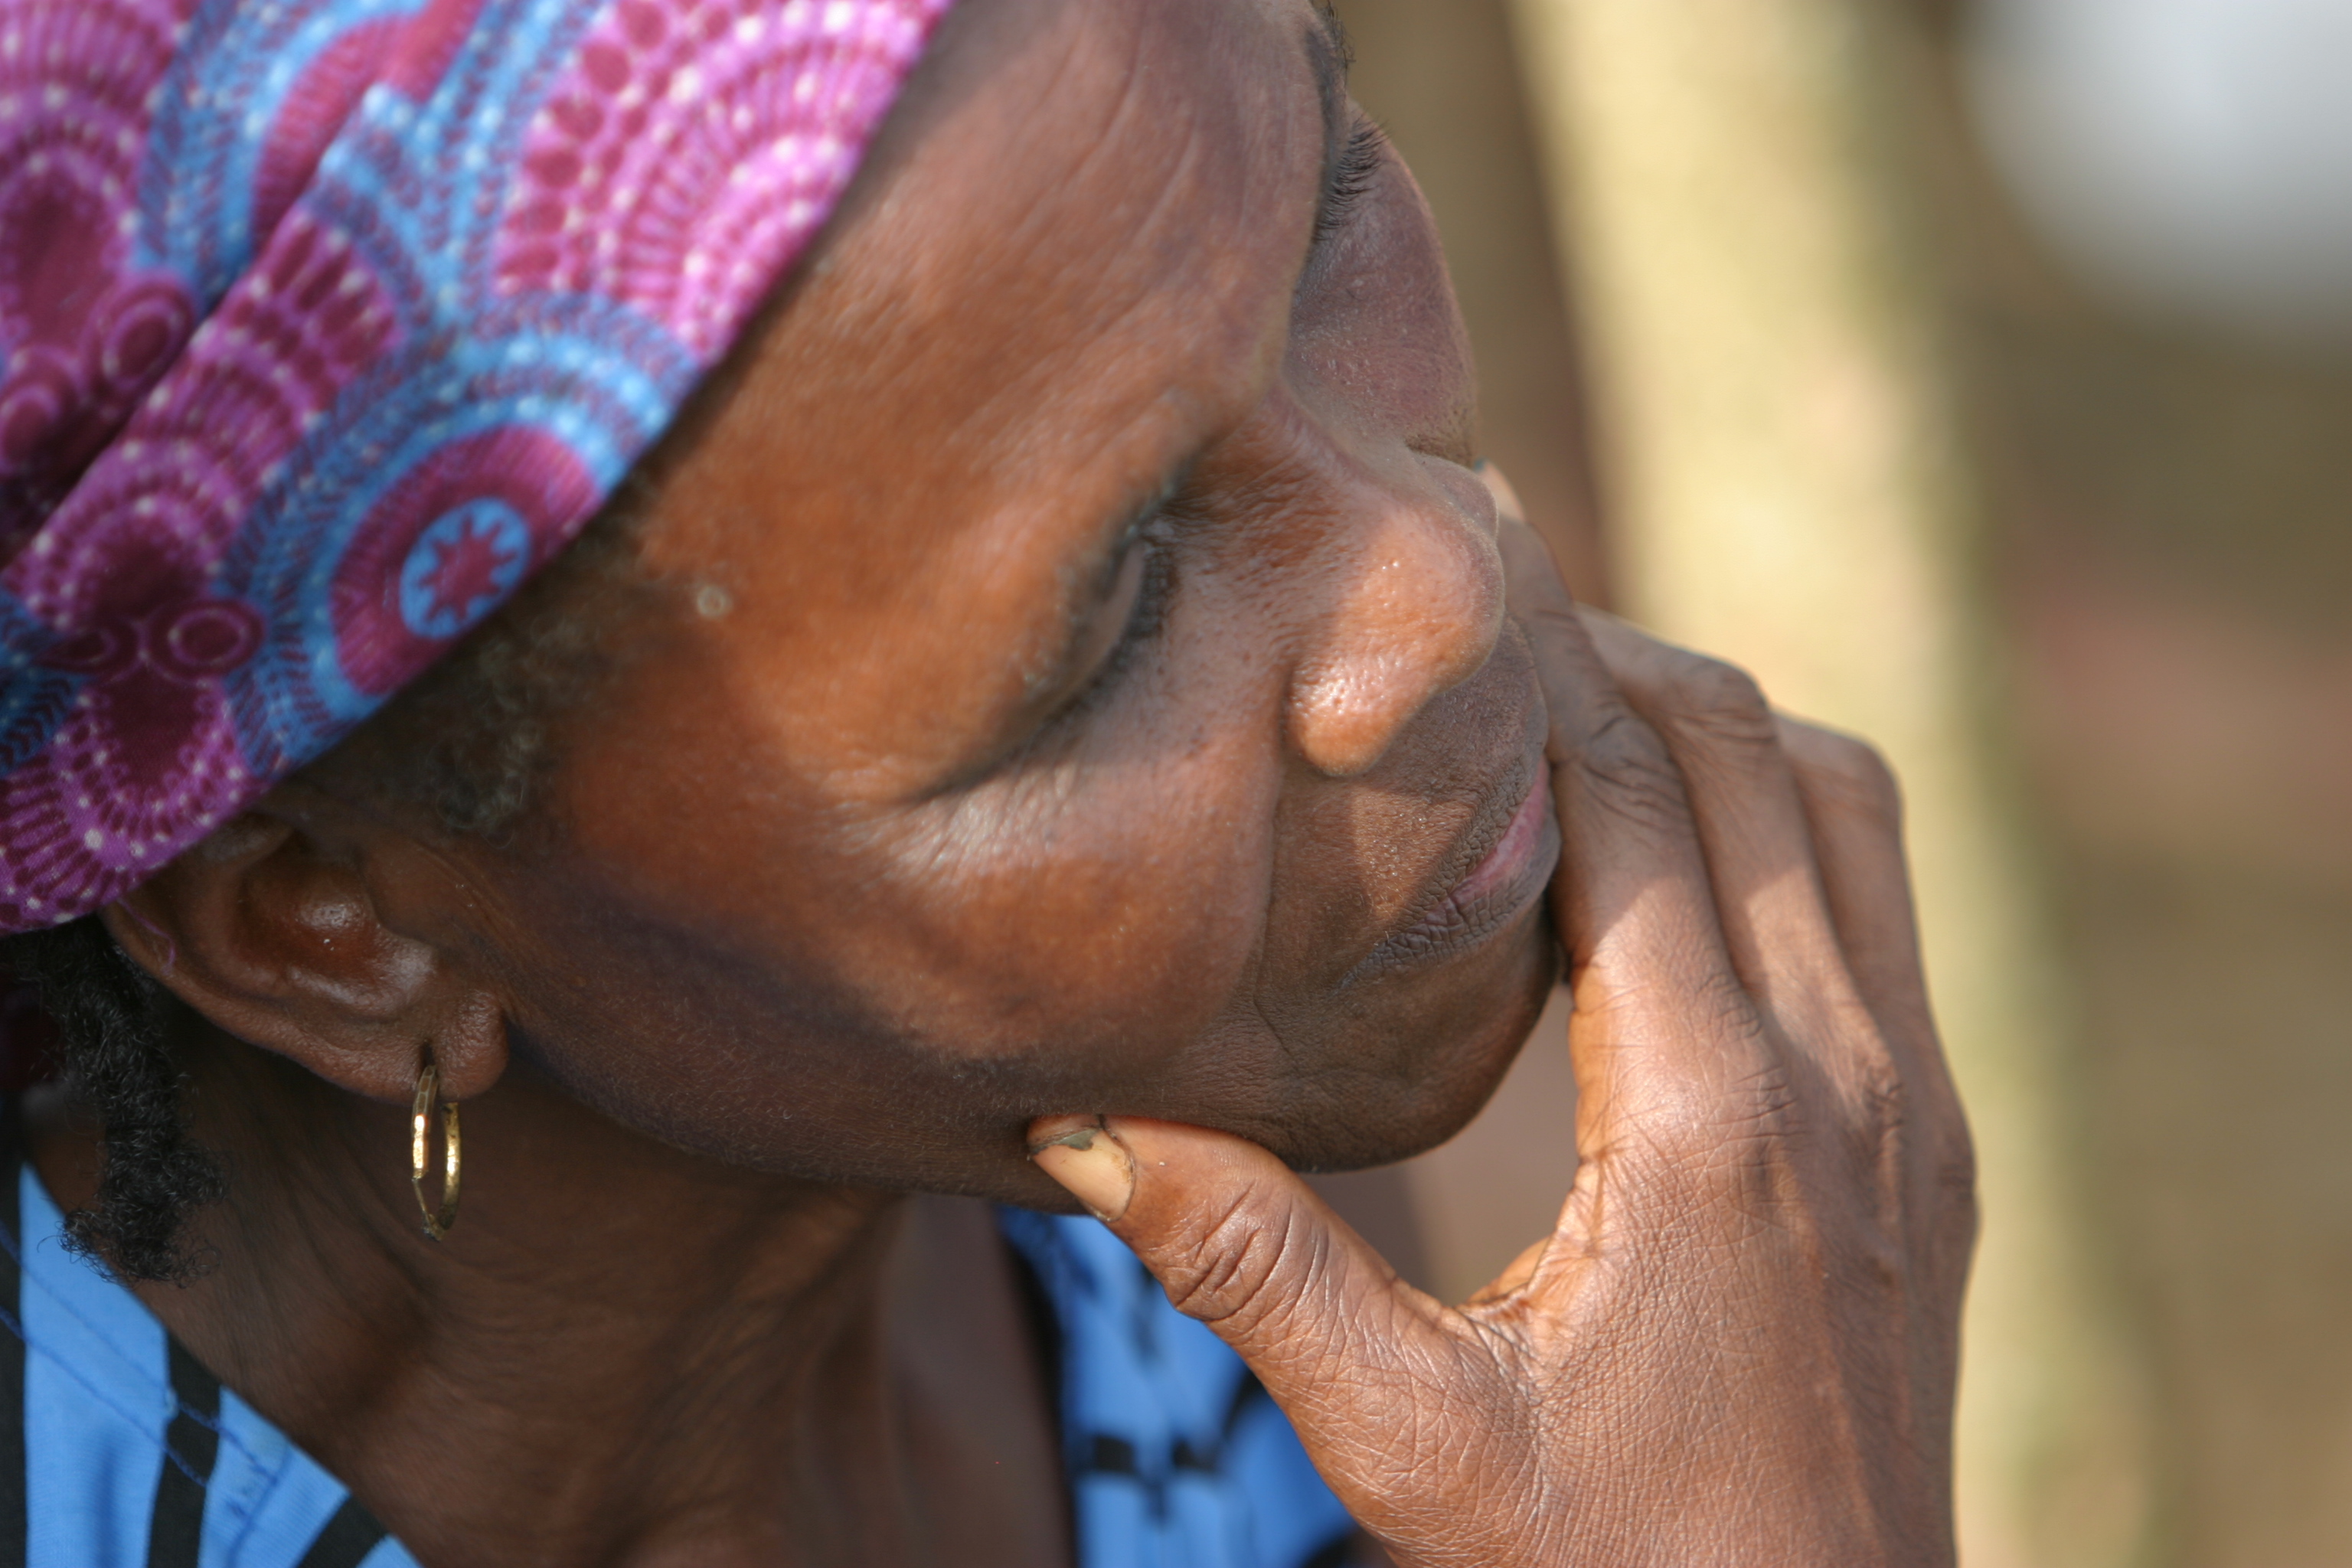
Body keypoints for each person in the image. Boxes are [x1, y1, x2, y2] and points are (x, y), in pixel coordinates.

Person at [0, 0, 1977, 1563]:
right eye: (1110, 625)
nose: (1444, 593)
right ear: (325, 924)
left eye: (1329, 210)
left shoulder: (1157, 1196)